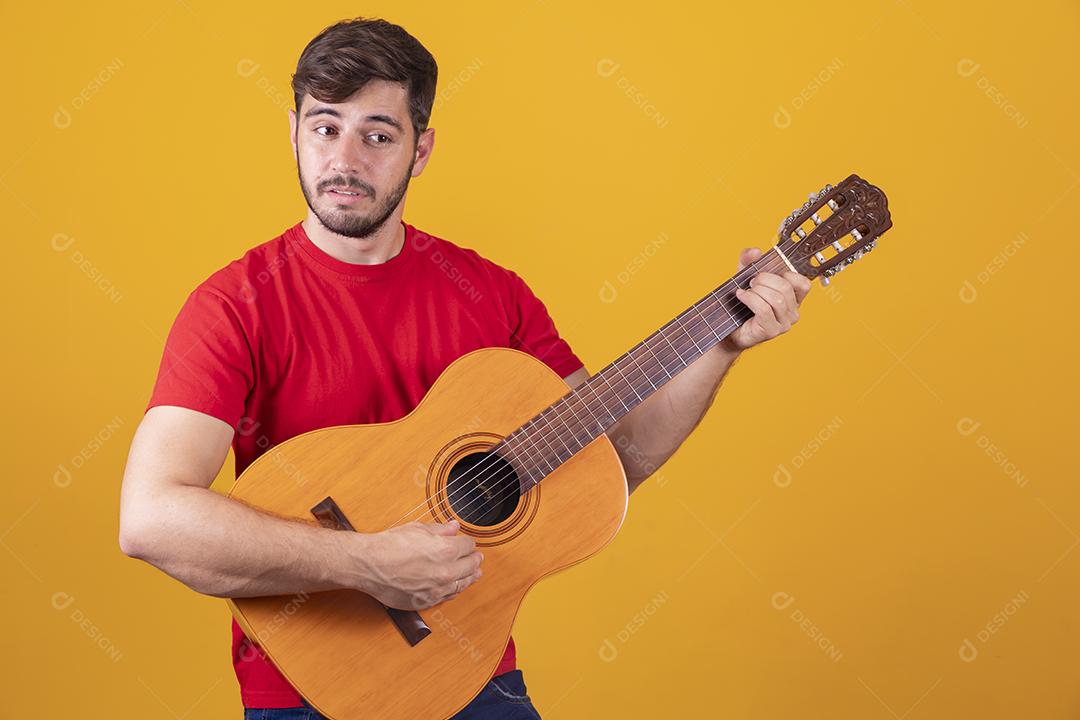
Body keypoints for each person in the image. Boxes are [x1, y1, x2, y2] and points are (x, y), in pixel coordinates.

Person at [118, 16, 811, 719]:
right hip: (305, 692)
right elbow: (151, 517)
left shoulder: (492, 295)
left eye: (378, 135)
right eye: (326, 128)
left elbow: (613, 462)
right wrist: (367, 563)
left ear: (421, 150)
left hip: (471, 674)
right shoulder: (234, 305)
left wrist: (723, 343)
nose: (345, 159)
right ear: (293, 132)